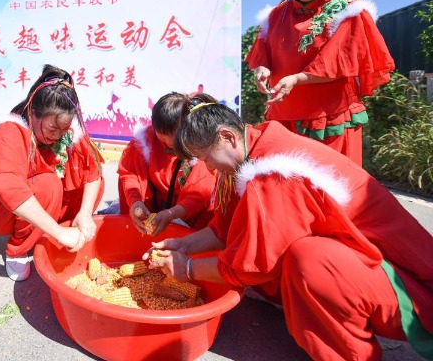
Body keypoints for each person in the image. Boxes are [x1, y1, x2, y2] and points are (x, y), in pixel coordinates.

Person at [146, 94, 433, 360]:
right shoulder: (247, 152)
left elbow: (254, 266)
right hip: (358, 266)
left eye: (207, 157)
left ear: (227, 136)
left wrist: (186, 269)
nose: (208, 168)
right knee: (294, 256)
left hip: (403, 284)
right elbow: (224, 229)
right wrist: (183, 246)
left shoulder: (274, 173)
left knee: (308, 260)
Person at [245, 0, 395, 166]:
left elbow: (335, 63)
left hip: (327, 119)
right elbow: (263, 53)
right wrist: (261, 70)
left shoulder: (348, 10)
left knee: (329, 190)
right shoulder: (276, 15)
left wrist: (296, 79)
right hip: (284, 117)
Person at [0, 65, 104, 281]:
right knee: (48, 185)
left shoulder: (67, 131)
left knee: (90, 184)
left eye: (63, 130)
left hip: (43, 204)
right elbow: (9, 188)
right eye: (52, 130)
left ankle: (51, 230)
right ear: (33, 112)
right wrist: (59, 232)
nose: (58, 136)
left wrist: (84, 213)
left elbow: (93, 173)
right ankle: (18, 249)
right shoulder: (10, 131)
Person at [117, 92, 216, 235]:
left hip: (187, 211)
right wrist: (135, 202)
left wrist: (171, 214)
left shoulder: (198, 144)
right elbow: (130, 174)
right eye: (161, 134)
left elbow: (199, 194)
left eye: (172, 134)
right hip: (155, 202)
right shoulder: (145, 140)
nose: (167, 141)